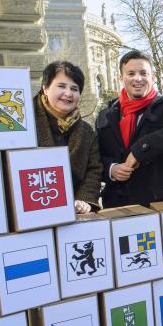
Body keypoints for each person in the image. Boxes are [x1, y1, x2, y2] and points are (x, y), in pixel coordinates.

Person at [96, 50, 163, 208]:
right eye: (131, 73)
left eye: (143, 73)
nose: (138, 78)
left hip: (156, 204)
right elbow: (96, 157)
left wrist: (141, 149)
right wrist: (111, 169)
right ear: (121, 78)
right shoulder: (106, 114)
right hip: (116, 205)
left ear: (152, 77)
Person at [35, 60, 102, 214]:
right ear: (45, 88)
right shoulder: (24, 123)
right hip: (32, 209)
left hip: (73, 212)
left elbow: (94, 170)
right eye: (61, 86)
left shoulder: (87, 132)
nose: (68, 94)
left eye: (74, 88)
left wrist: (84, 200)